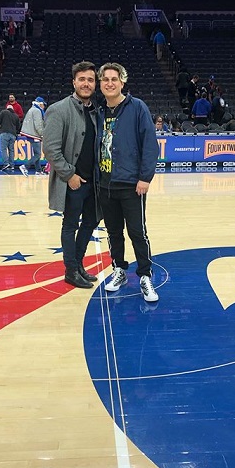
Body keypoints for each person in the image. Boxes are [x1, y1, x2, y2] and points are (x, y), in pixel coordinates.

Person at [97, 62, 159, 302]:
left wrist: (145, 177)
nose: (110, 83)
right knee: (113, 232)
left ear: (122, 82)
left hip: (132, 184)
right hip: (105, 184)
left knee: (137, 231)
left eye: (114, 79)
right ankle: (119, 270)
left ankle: (145, 275)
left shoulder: (137, 107)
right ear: (101, 84)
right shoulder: (99, 111)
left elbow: (150, 145)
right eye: (105, 79)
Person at [42, 61, 100, 289]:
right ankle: (71, 270)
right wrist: (69, 175)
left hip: (93, 182)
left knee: (91, 221)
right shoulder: (58, 109)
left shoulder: (95, 111)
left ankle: (78, 265)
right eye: (82, 79)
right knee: (70, 226)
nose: (86, 84)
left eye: (90, 80)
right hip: (73, 183)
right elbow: (50, 149)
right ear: (74, 82)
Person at [19, 96, 47, 176]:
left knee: (36, 153)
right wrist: (42, 134)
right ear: (40, 104)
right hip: (34, 134)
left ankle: (38, 171)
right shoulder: (37, 111)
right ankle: (25, 166)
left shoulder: (32, 109)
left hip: (30, 134)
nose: (44, 107)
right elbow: (38, 124)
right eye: (43, 105)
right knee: (38, 154)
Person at [0, 104, 20, 172]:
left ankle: (6, 163)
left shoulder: (4, 112)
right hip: (13, 134)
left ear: (7, 108)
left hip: (4, 133)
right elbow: (18, 126)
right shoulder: (16, 115)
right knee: (11, 150)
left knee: (3, 149)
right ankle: (12, 165)